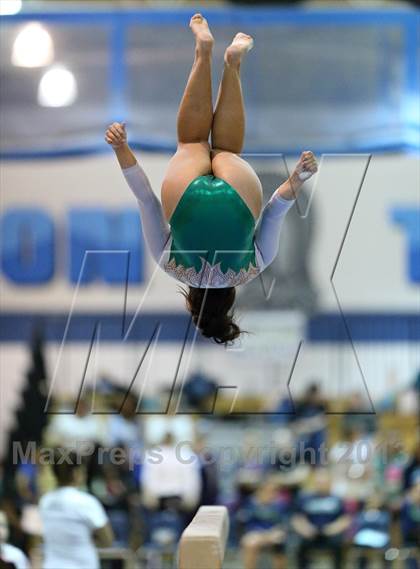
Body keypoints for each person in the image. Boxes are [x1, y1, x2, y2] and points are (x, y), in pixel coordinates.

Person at [105, 13, 318, 345]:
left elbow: (276, 209)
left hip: (239, 195)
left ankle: (232, 64)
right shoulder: (170, 265)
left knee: (227, 148)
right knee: (192, 142)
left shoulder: (253, 267)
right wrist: (121, 149)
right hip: (185, 197)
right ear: (190, 301)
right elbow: (146, 198)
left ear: (231, 300)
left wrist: (298, 178)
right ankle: (203, 51)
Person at [39, 451, 113, 569]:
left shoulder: (45, 501)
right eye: (83, 471)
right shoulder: (87, 502)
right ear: (75, 473)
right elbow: (108, 540)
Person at [291, 469, 351, 569]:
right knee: (299, 543)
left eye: (325, 483)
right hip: (310, 533)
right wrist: (304, 529)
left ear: (330, 483)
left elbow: (345, 519)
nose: (322, 485)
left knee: (340, 544)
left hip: (331, 533)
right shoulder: (305, 498)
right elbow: (297, 518)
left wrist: (333, 528)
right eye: (319, 482)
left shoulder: (337, 499)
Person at [237, 479, 289, 569]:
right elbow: (247, 523)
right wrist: (263, 535)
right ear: (259, 491)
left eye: (273, 491)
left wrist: (274, 533)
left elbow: (283, 523)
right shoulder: (251, 504)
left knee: (280, 541)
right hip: (256, 534)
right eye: (267, 491)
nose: (270, 494)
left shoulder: (280, 504)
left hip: (273, 534)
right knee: (249, 542)